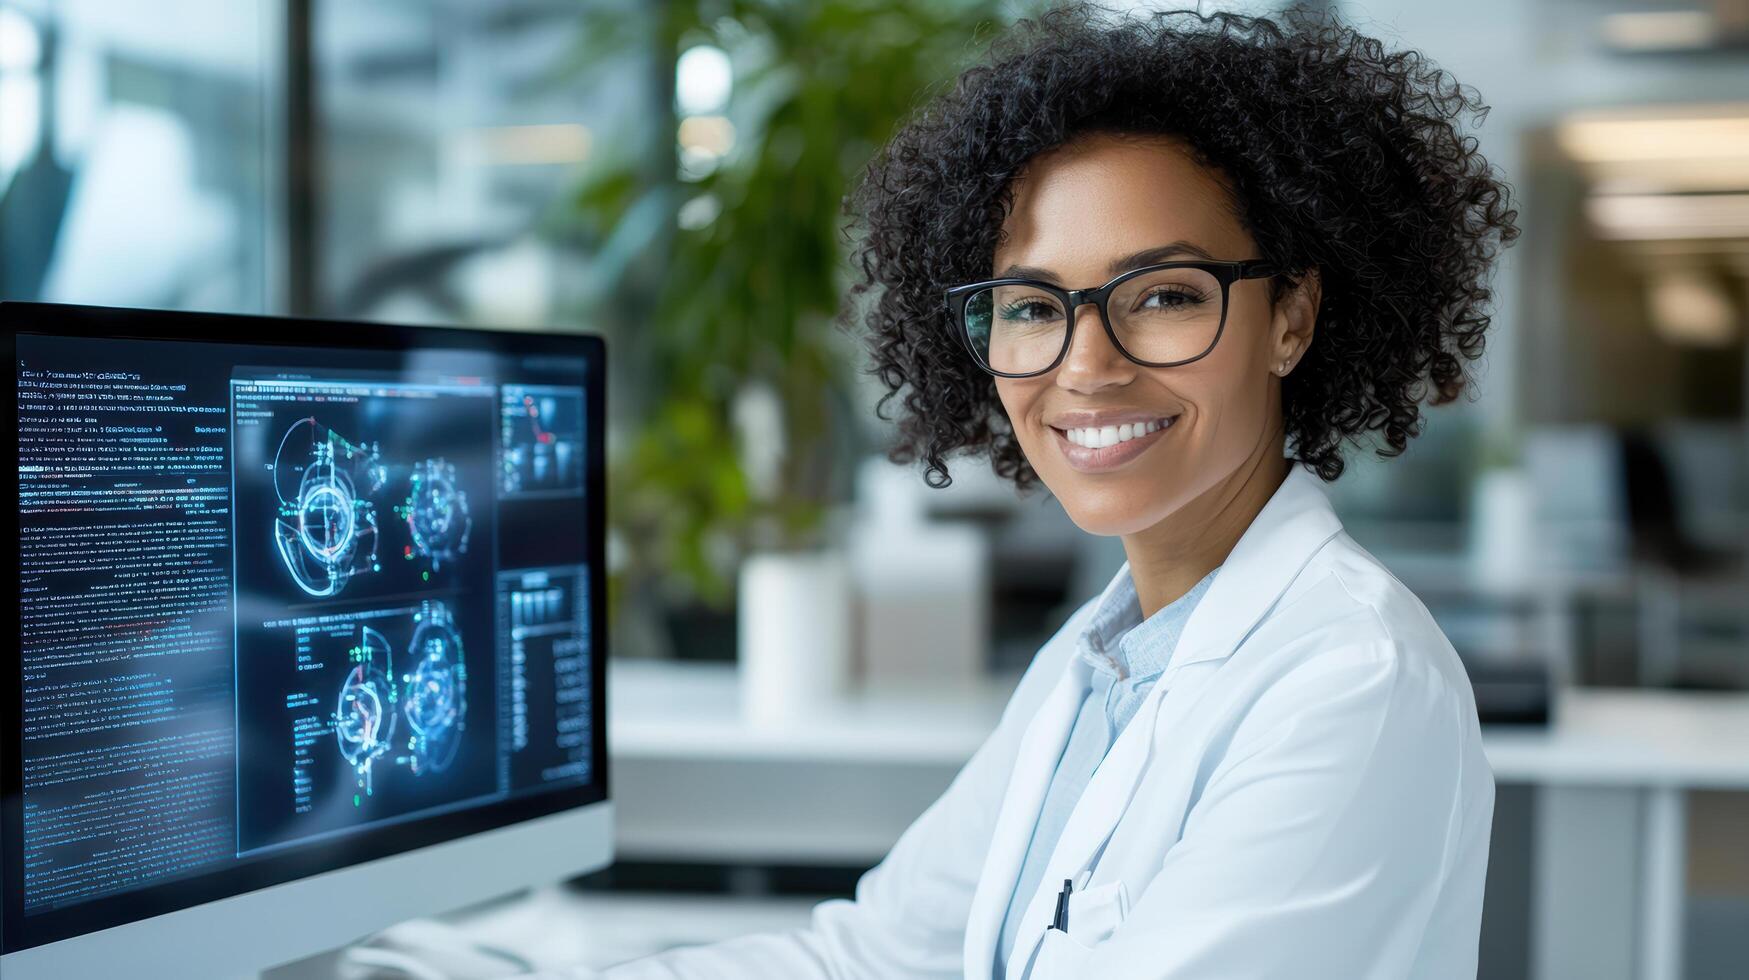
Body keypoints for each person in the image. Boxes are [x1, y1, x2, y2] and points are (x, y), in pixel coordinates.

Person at [554, 5, 1518, 978]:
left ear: (1292, 318)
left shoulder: (1351, 682)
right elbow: (873, 956)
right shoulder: (1100, 659)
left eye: (1165, 294)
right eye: (1030, 306)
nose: (1086, 366)